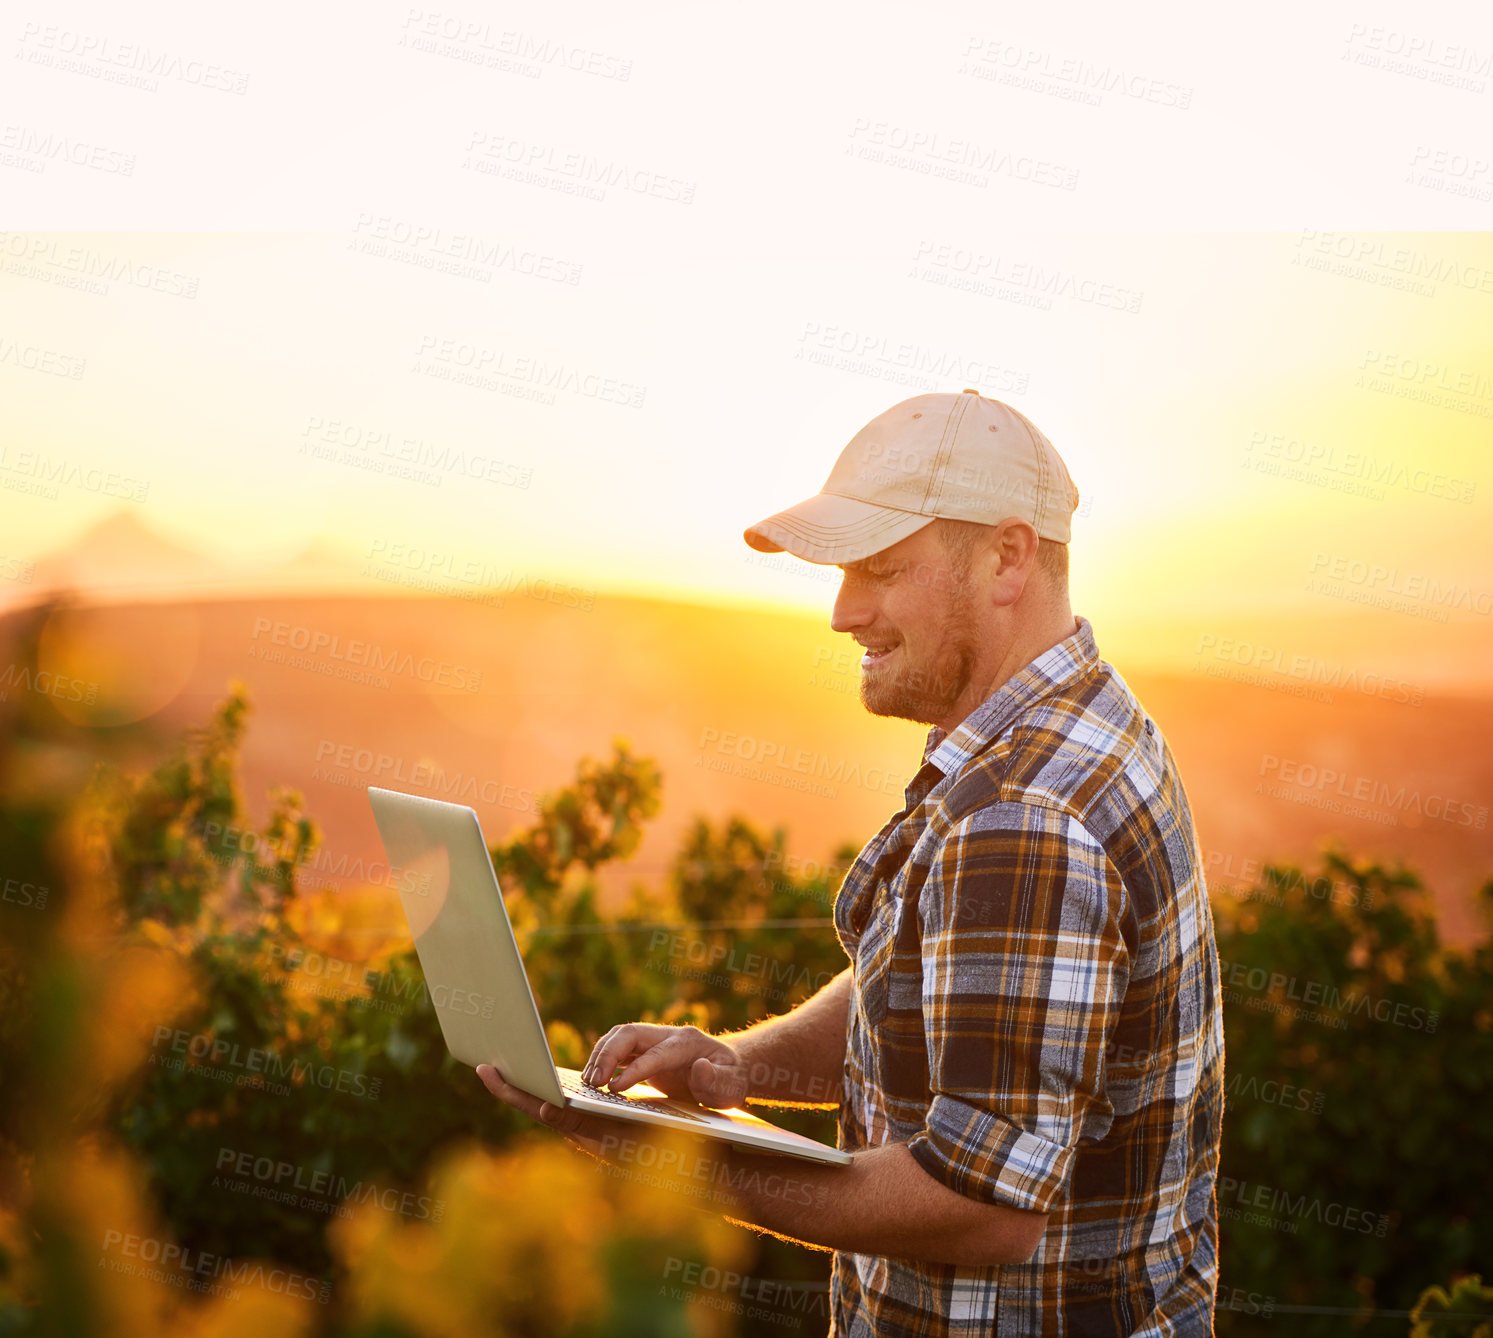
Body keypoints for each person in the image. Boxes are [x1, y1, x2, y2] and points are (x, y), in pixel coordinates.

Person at [479, 388, 1226, 1336]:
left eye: (879, 568)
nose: (842, 612)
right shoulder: (1066, 727)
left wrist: (666, 1155)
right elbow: (914, 980)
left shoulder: (1023, 816)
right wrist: (728, 1071)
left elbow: (982, 1206)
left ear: (1007, 557)